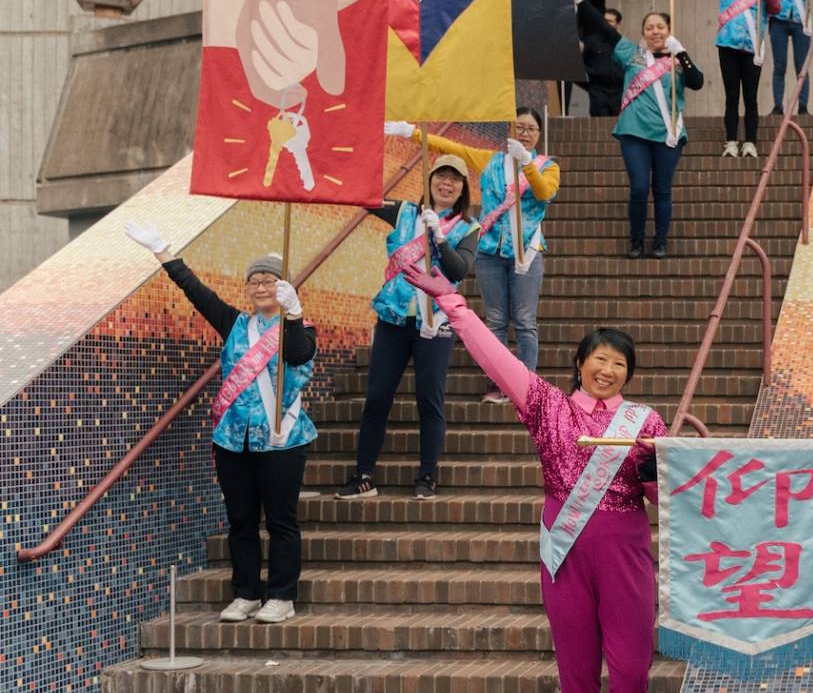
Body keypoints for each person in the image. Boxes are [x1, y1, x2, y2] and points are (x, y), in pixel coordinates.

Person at [392, 257, 671, 693]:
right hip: (565, 552)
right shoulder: (548, 406)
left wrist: (654, 466)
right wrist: (452, 301)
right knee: (575, 667)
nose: (608, 371)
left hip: (626, 552)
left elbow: (666, 501)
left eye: (620, 364)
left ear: (629, 374)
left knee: (632, 667)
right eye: (600, 360)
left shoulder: (646, 422)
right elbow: (495, 357)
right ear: (579, 363)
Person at [124, 228, 316, 624]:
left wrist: (293, 314)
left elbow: (298, 354)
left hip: (282, 439)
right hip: (233, 441)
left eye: (270, 280)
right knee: (240, 520)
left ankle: (282, 596)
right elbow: (197, 293)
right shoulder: (234, 324)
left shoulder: (300, 329)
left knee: (281, 521)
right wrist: (164, 252)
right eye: (255, 281)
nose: (261, 287)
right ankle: (246, 593)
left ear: (285, 288)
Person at [387, 109, 560, 403]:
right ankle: (499, 384)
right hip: (489, 250)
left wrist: (528, 164)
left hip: (526, 252)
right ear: (509, 130)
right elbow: (450, 148)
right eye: (519, 127)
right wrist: (412, 132)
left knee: (525, 321)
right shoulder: (490, 160)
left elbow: (544, 194)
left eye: (531, 129)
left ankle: (527, 388)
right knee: (494, 320)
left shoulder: (547, 166)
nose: (525, 133)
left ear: (539, 135)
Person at [336, 156, 479, 501]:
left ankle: (427, 476)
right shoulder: (403, 213)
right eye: (441, 177)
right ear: (429, 181)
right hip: (393, 318)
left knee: (430, 400)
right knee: (378, 397)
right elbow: (364, 197)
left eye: (454, 180)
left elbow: (459, 270)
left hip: (435, 324)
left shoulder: (468, 227)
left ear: (462, 187)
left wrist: (439, 238)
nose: (447, 184)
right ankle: (364, 475)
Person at [581, 0, 704, 260]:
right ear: (643, 33)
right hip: (634, 132)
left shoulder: (678, 59)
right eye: (650, 27)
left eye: (660, 26)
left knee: (662, 188)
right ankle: (636, 240)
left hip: (668, 133)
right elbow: (605, 29)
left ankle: (660, 241)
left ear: (669, 30)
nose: (655, 31)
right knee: (638, 187)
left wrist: (682, 54)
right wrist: (581, 1)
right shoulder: (631, 53)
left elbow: (698, 83)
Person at [704, 0, 782, 157]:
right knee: (731, 96)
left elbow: (776, 8)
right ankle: (730, 141)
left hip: (752, 49)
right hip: (728, 46)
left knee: (750, 97)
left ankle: (750, 142)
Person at [578, 4, 625, 118]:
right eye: (604, 21)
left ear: (617, 24)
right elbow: (581, 65)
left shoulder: (622, 44)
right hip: (598, 91)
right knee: (598, 124)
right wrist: (593, 74)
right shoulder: (591, 42)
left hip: (619, 92)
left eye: (610, 21)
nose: (605, 24)